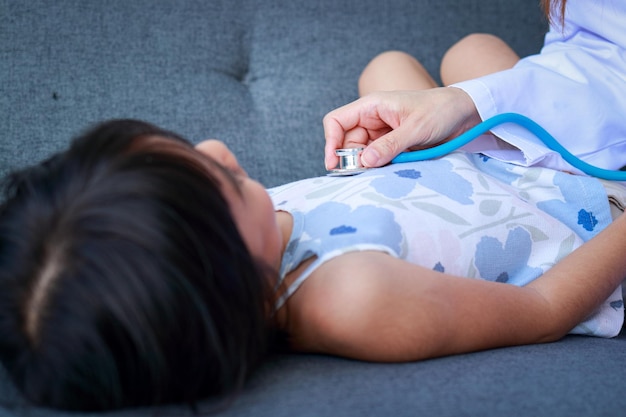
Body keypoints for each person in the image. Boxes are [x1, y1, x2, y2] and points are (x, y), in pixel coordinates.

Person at [0, 118, 625, 412]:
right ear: (225, 281)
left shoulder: (263, 229)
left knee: (461, 52)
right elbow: (544, 310)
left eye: (195, 153)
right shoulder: (352, 298)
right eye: (224, 177)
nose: (220, 147)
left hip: (505, 156)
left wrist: (394, 124)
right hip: (593, 210)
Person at [323, 0, 626, 174]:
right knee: (473, 49)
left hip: (589, 171)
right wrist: (465, 104)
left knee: (385, 70)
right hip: (591, 77)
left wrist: (467, 104)